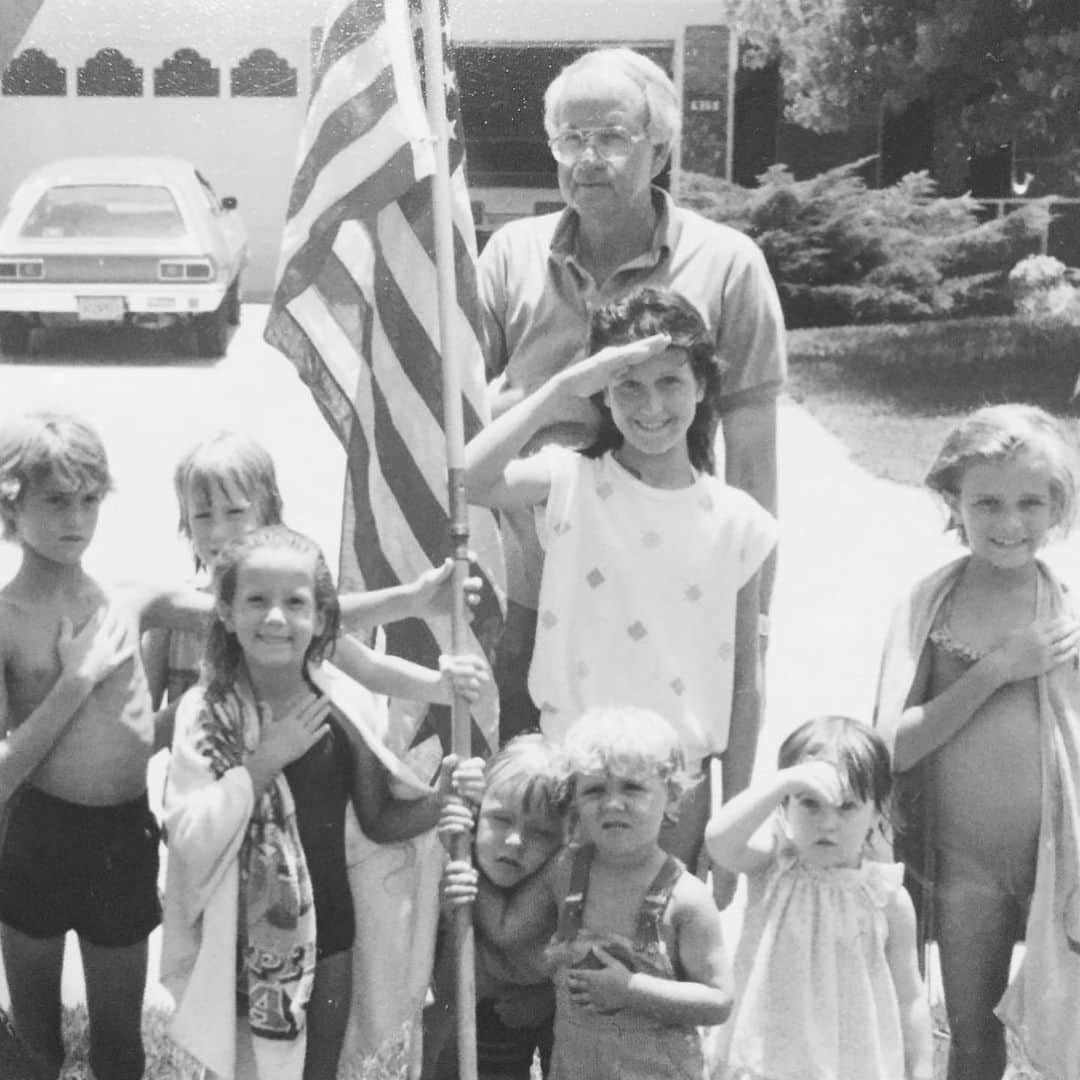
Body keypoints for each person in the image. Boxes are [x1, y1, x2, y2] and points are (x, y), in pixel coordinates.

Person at [478, 47, 786, 744]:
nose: (588, 158)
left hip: (666, 590)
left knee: (650, 802)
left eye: (612, 137)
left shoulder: (728, 265)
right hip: (525, 586)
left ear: (661, 149)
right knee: (524, 798)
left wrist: (754, 620)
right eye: (570, 139)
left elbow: (756, 462)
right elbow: (459, 423)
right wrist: (548, 401)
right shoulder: (510, 256)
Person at [466, 286, 776, 893]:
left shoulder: (740, 522)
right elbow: (468, 480)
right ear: (603, 394)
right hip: (567, 780)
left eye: (670, 383)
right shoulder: (568, 480)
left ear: (703, 386)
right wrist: (560, 389)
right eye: (628, 384)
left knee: (656, 963)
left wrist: (732, 818)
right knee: (555, 962)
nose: (651, 404)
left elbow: (746, 680)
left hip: (673, 792)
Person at [160, 524, 487, 1080]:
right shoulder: (207, 713)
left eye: (295, 602)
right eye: (256, 600)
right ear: (226, 612)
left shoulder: (341, 709)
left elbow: (381, 821)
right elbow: (188, 837)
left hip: (333, 939)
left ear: (322, 619)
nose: (275, 618)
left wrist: (442, 798)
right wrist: (264, 762)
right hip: (241, 940)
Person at [0, 411, 216, 1080]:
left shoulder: (128, 598)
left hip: (120, 836)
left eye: (90, 499)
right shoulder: (6, 619)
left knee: (120, 1046)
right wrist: (77, 680)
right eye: (57, 500)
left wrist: (412, 598)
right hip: (36, 834)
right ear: (12, 505)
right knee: (35, 1045)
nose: (77, 517)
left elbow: (276, 607)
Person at [874, 403, 1080, 1080]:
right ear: (951, 500)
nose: (1009, 522)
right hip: (966, 872)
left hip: (1065, 867)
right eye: (986, 502)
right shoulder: (933, 607)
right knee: (970, 1038)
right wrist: (997, 669)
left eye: (1030, 502)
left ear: (1058, 507)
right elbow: (890, 750)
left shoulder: (1069, 611)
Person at [144, 429, 482, 749]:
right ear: (184, 524)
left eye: (234, 512)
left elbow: (367, 668)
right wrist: (194, 711)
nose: (218, 532)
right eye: (202, 516)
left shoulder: (288, 601)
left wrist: (439, 687)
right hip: (204, 792)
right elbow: (142, 730)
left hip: (289, 786)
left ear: (269, 513)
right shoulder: (172, 617)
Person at [472, 706, 731, 1080]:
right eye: (595, 790)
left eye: (632, 787)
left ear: (673, 798)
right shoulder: (566, 871)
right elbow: (505, 930)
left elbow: (719, 1000)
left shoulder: (685, 899)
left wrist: (632, 989)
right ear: (575, 801)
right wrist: (462, 857)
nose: (612, 803)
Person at [706, 715, 933, 1080]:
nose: (828, 823)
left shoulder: (887, 898)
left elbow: (911, 998)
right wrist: (785, 781)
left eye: (847, 807)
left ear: (877, 811)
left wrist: (920, 1071)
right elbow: (719, 841)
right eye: (810, 804)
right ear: (785, 806)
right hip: (771, 1056)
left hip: (854, 1061)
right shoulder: (773, 866)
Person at [424, 733, 565, 1080]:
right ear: (476, 811)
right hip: (471, 999)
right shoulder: (456, 846)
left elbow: (507, 932)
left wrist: (545, 997)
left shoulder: (557, 874)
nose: (515, 841)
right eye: (501, 819)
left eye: (541, 832)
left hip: (530, 1001)